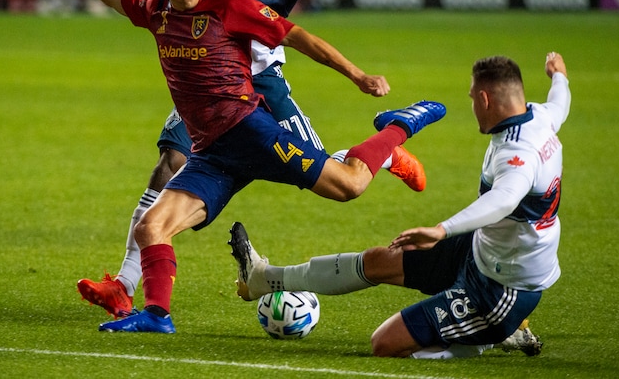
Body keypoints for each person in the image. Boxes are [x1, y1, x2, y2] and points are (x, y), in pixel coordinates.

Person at [74, 0, 424, 319]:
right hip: (207, 79)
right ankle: (125, 283)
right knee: (169, 164)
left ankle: (384, 153)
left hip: (261, 81)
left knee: (325, 169)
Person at [230, 52, 571, 358]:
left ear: (485, 99)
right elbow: (560, 102)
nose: (471, 105)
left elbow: (503, 200)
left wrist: (440, 230)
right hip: (484, 249)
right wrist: (558, 76)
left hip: (503, 287)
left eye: (472, 98)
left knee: (386, 344)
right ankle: (264, 279)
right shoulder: (540, 117)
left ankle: (488, 336)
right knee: (380, 261)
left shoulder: (518, 155)